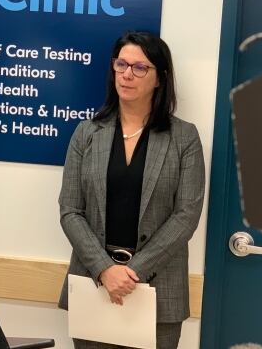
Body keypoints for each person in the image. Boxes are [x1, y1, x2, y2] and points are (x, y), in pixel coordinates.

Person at [58, 31, 205, 349]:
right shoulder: (87, 133)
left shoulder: (184, 138)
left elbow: (186, 216)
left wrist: (131, 271)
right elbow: (70, 210)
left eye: (140, 67)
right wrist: (104, 270)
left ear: (159, 78)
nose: (127, 74)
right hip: (94, 286)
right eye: (121, 64)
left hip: (159, 292)